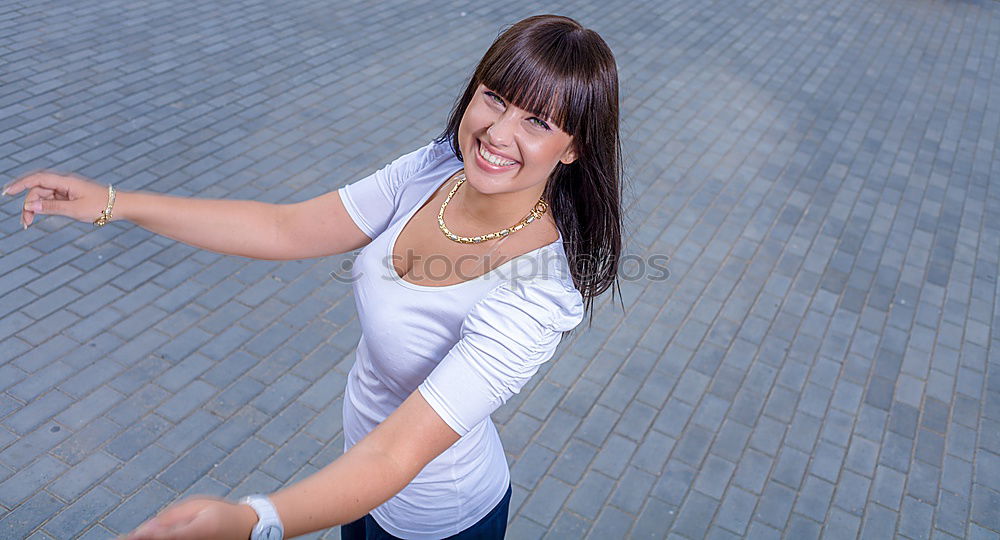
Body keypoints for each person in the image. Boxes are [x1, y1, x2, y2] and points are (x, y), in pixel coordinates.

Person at [5, 13, 622, 540]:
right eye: (495, 98)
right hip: (356, 486)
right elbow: (287, 229)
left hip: (440, 515)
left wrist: (254, 520)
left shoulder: (538, 293)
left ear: (573, 148)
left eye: (537, 123)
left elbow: (397, 451)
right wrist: (115, 202)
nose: (497, 132)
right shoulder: (435, 169)